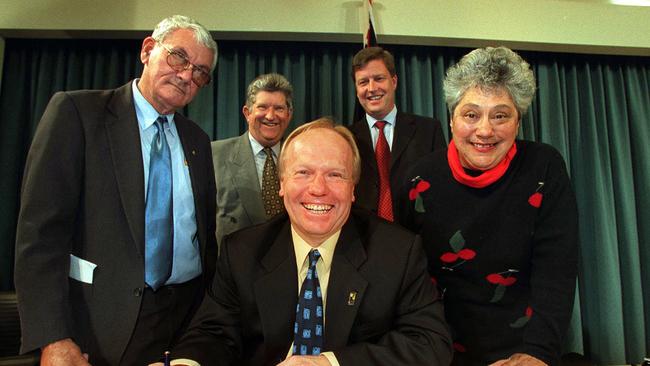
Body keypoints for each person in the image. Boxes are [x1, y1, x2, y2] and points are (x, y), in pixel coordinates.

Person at [154, 118, 452, 366]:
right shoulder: (242, 251)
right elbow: (213, 333)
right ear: (281, 184)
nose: (318, 189)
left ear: (353, 189)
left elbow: (429, 343)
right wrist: (187, 363)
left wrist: (330, 363)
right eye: (303, 173)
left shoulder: (397, 251)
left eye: (335, 174)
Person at [14, 15, 218, 366]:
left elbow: (204, 237)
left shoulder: (197, 140)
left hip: (186, 322)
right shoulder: (78, 113)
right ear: (147, 49)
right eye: (179, 58)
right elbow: (39, 238)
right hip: (100, 324)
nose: (186, 75)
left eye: (200, 72)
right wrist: (52, 336)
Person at [400, 47, 578, 366]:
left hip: (522, 347)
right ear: (452, 119)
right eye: (471, 114)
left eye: (500, 115)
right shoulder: (418, 178)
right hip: (437, 348)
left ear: (518, 121)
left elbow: (557, 270)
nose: (484, 130)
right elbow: (405, 280)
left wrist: (537, 353)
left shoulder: (544, 167)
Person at [348, 46, 446, 222]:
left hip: (415, 236)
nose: (371, 88)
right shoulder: (345, 138)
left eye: (379, 79)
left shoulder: (429, 130)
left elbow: (441, 189)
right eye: (363, 82)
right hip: (360, 239)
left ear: (393, 81)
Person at [212, 73, 293, 247]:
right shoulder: (214, 155)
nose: (270, 116)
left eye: (279, 108)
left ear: (289, 114)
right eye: (262, 107)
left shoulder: (302, 159)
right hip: (233, 268)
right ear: (247, 113)